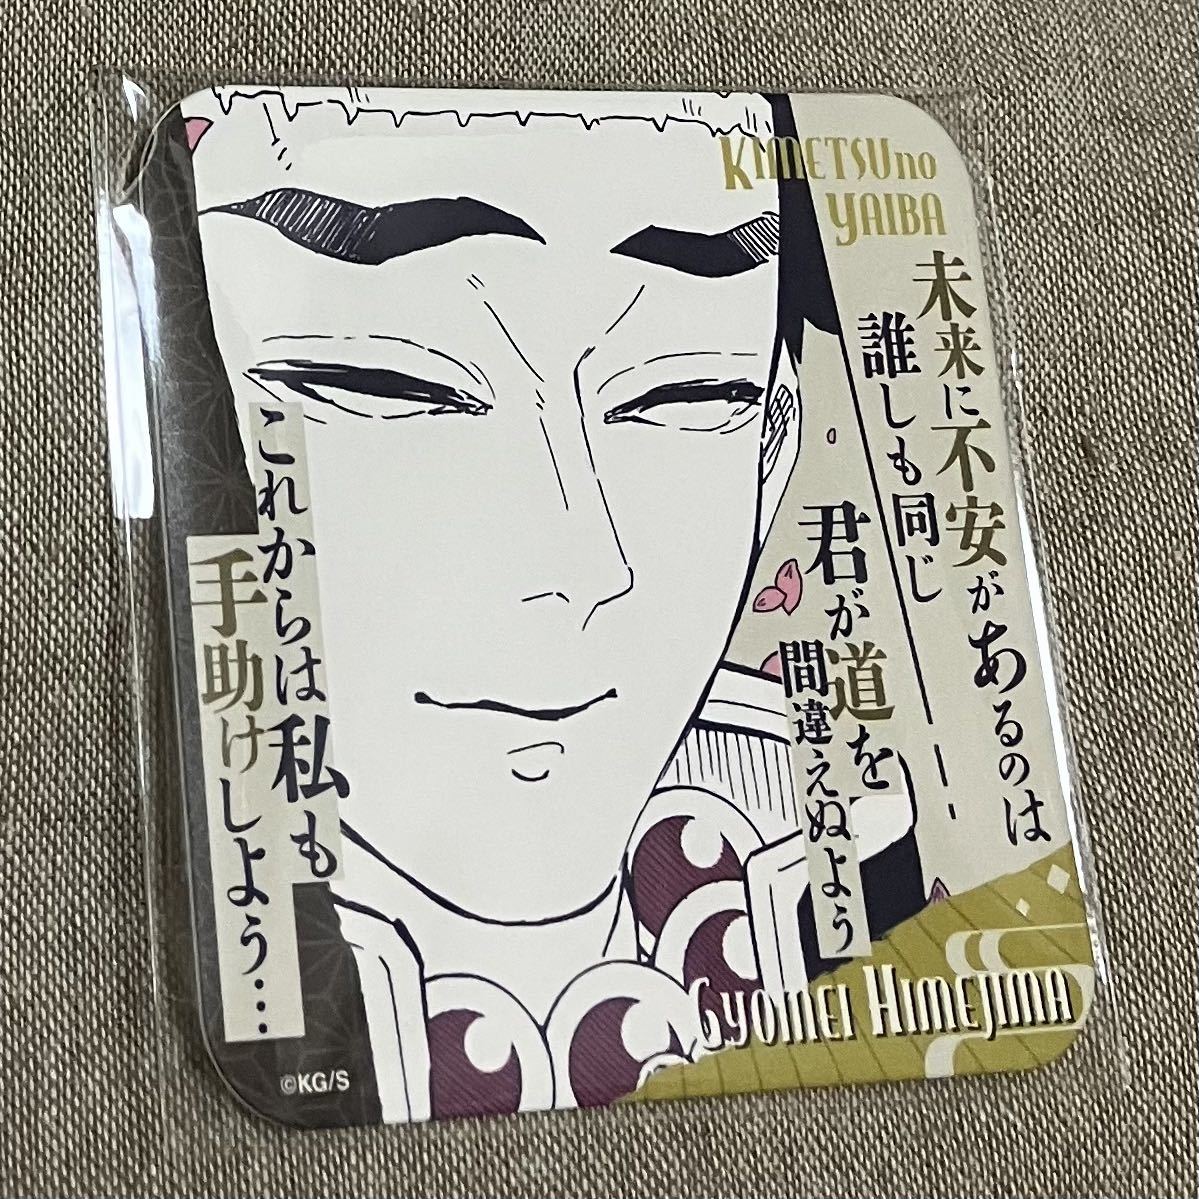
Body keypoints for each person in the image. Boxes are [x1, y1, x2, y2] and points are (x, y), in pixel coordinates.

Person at [181, 87, 923, 1121]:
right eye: (385, 388)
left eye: (684, 399)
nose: (580, 560)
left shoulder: (864, 858)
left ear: (772, 451)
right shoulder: (239, 912)